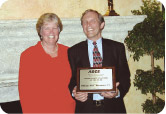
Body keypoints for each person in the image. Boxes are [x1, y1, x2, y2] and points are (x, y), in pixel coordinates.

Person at [68, 9, 131, 113]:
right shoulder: (73, 51)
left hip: (113, 108)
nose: (88, 25)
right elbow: (72, 79)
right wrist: (75, 91)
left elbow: (125, 77)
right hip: (85, 109)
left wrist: (117, 92)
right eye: (85, 22)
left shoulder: (117, 48)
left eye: (93, 21)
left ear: (102, 24)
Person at [18, 13, 75, 113]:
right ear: (40, 31)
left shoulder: (69, 52)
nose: (51, 32)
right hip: (40, 109)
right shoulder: (28, 55)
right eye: (47, 28)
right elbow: (24, 93)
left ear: (59, 30)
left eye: (55, 27)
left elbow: (75, 81)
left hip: (67, 109)